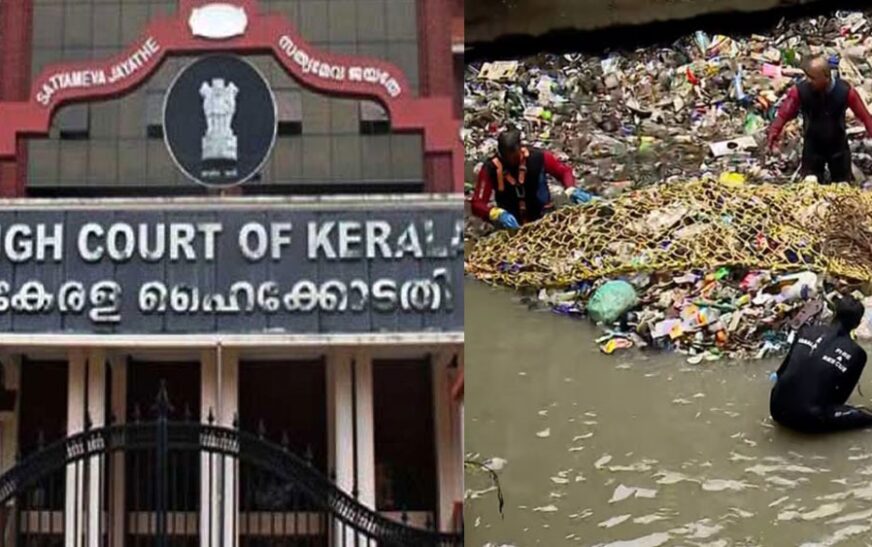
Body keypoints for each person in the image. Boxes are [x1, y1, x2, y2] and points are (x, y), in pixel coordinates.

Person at [770, 295, 872, 433]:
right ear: (858, 323)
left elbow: (781, 372)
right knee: (866, 416)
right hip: (809, 420)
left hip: (776, 409)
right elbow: (840, 399)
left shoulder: (806, 331)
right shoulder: (857, 353)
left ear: (834, 313)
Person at [767, 55, 872, 183]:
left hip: (838, 147)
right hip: (812, 146)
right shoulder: (800, 91)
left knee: (842, 187)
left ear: (826, 77)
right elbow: (784, 114)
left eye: (812, 77)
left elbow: (865, 117)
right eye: (807, 76)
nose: (808, 80)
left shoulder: (845, 91)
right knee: (810, 185)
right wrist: (774, 132)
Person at [471, 129, 592, 229]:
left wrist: (571, 188)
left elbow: (564, 171)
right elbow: (477, 204)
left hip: (544, 218)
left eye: (513, 155)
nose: (511, 160)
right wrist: (496, 213)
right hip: (511, 224)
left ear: (520, 148)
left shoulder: (538, 157)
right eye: (506, 156)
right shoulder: (491, 168)